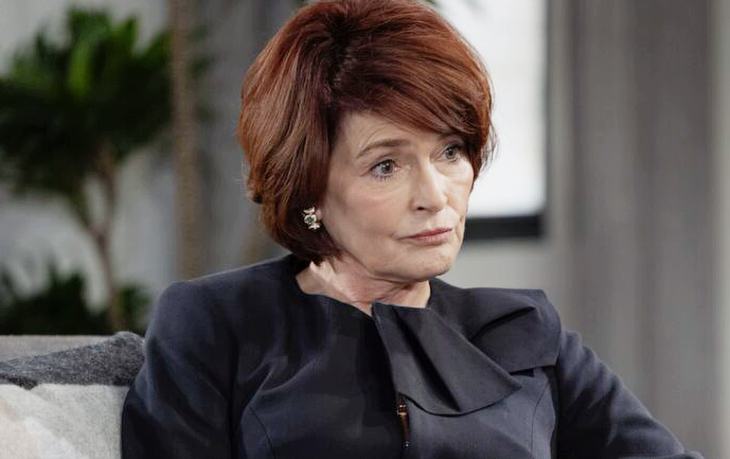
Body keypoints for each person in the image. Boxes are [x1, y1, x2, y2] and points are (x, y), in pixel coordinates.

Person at [121, 0, 704, 457]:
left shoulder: (525, 333)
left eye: (450, 152)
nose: (434, 196)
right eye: (386, 166)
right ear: (309, 189)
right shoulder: (215, 325)